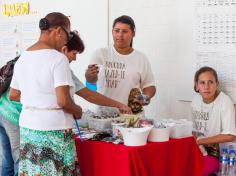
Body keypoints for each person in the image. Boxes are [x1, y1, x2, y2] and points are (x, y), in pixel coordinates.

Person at [9, 12, 82, 175]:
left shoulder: (23, 58)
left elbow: (13, 94)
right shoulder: (58, 59)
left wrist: (36, 99)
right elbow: (63, 101)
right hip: (54, 129)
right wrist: (78, 110)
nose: (67, 39)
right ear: (57, 31)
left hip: (28, 128)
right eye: (68, 34)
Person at [85, 15, 156, 112]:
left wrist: (146, 97)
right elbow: (91, 83)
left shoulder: (141, 58)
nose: (120, 35)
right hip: (104, 115)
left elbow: (149, 85)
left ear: (133, 33)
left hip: (131, 115)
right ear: (112, 32)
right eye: (117, 31)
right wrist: (89, 76)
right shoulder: (101, 53)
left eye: (125, 31)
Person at [61, 31, 131, 113]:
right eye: (74, 53)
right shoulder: (62, 69)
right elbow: (89, 94)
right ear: (64, 49)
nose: (75, 59)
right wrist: (120, 105)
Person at [191, 66, 236, 176]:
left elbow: (230, 135)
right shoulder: (195, 100)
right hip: (200, 150)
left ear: (217, 84)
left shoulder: (225, 102)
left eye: (210, 82)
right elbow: (192, 129)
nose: (206, 87)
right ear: (196, 86)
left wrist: (200, 141)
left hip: (220, 155)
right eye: (202, 82)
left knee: (194, 171)